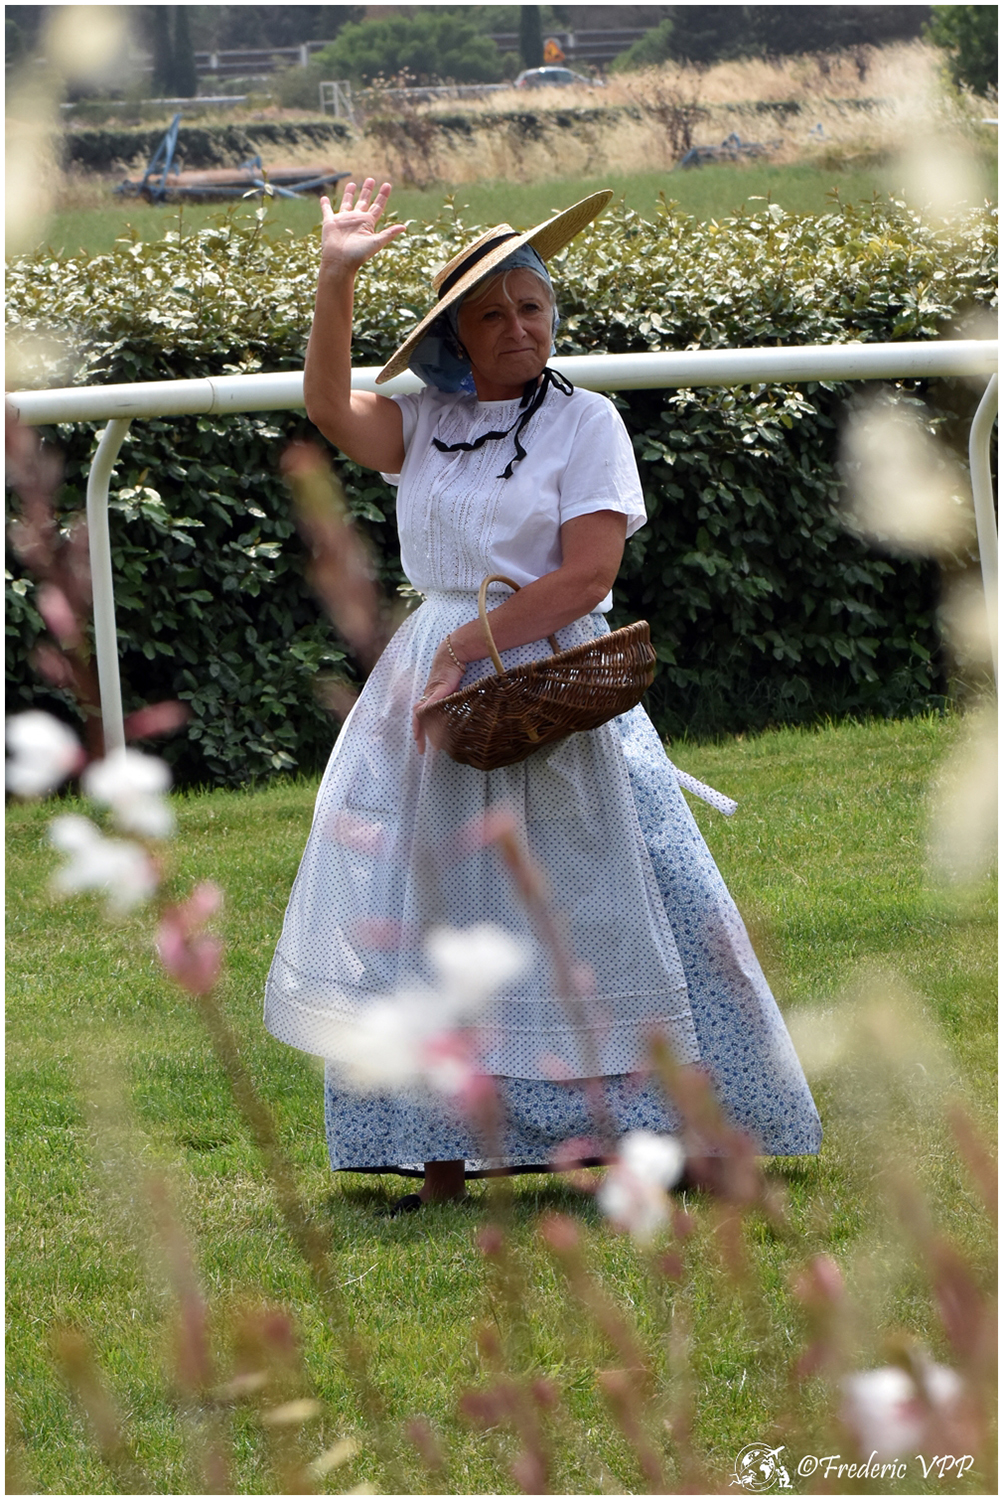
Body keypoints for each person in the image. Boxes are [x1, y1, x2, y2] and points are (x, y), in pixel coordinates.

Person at [264, 179, 821, 1210]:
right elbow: (329, 406)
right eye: (491, 314)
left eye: (531, 305)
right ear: (455, 339)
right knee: (432, 900)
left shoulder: (585, 422)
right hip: (437, 684)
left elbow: (586, 574)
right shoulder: (424, 422)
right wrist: (336, 276)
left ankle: (683, 1125)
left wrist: (467, 648)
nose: (518, 326)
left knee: (610, 894)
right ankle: (436, 1144)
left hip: (552, 674)